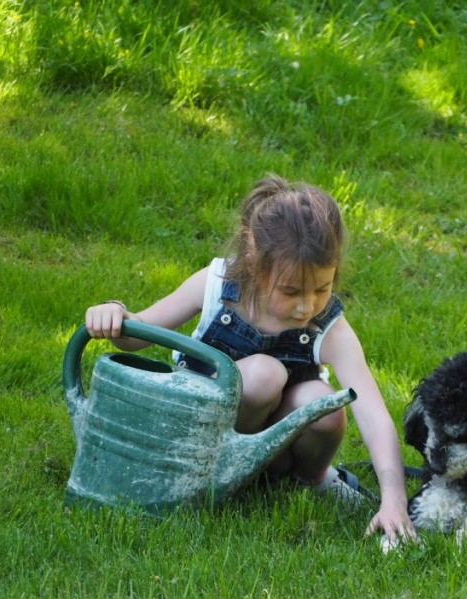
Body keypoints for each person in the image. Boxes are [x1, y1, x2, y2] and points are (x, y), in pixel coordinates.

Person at [85, 173, 416, 544]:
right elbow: (137, 335)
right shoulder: (215, 285)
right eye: (291, 291)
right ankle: (213, 481)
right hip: (201, 443)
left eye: (322, 288)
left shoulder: (329, 327)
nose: (307, 306)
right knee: (263, 374)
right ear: (255, 267)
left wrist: (394, 501)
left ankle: (308, 481)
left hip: (276, 453)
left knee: (323, 404)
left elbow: (372, 412)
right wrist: (115, 315)